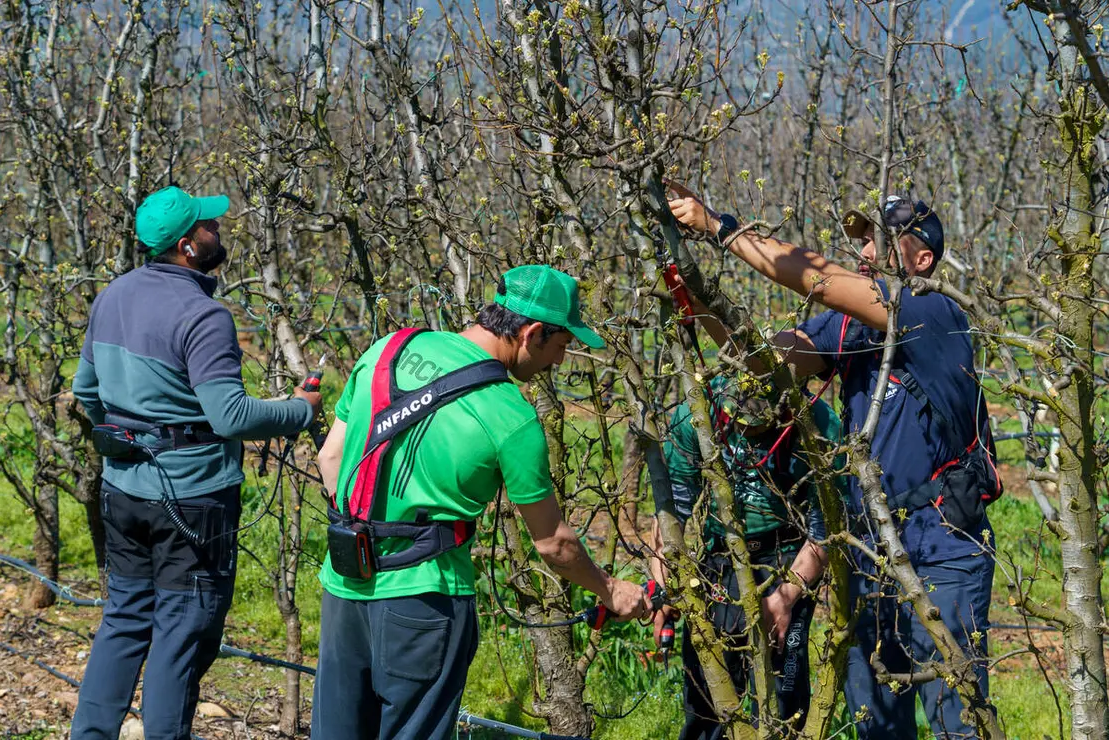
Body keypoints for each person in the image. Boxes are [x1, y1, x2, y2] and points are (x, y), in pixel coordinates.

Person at [667, 185, 1000, 738]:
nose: (867, 251)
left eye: (883, 241)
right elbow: (760, 362)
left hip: (941, 551)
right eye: (864, 241)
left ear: (922, 260)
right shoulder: (850, 328)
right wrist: (696, 293)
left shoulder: (932, 310)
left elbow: (816, 277)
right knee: (875, 725)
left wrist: (720, 227)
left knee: (957, 724)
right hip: (869, 553)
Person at [310, 264, 652, 740]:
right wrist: (609, 588)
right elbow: (553, 543)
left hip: (345, 581)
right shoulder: (510, 414)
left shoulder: (389, 349)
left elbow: (330, 457)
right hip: (424, 602)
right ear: (532, 333)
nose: (559, 361)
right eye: (561, 346)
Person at [70, 186, 323, 740]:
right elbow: (229, 415)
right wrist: (299, 411)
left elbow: (86, 390)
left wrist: (127, 433)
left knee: (124, 619)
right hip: (192, 499)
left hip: (124, 487)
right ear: (188, 246)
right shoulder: (203, 315)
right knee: (182, 633)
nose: (218, 230)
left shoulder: (111, 295)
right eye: (209, 226)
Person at [652, 374, 838, 738]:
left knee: (785, 693)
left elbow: (826, 530)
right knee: (708, 690)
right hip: (720, 559)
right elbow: (672, 508)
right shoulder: (696, 411)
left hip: (789, 558)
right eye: (740, 425)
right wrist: (663, 581)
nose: (749, 436)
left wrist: (787, 595)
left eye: (760, 427)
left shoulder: (817, 425)